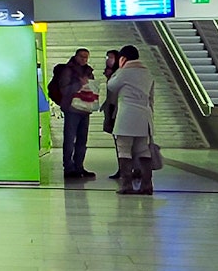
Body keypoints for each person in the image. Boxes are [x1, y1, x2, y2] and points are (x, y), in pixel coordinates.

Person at [106, 44, 155, 195]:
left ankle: (126, 185)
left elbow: (111, 86)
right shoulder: (148, 73)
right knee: (143, 150)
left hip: (127, 116)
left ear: (123, 59)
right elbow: (151, 97)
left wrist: (119, 70)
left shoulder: (124, 73)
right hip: (144, 116)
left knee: (124, 149)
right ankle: (147, 185)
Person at [60, 48, 96, 178]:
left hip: (84, 108)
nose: (84, 59)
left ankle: (79, 166)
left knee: (82, 139)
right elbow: (64, 89)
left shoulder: (88, 71)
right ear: (76, 56)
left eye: (86, 57)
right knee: (70, 139)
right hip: (72, 109)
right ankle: (69, 167)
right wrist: (78, 85)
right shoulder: (67, 70)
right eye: (82, 57)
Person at [102, 49, 121, 179]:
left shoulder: (119, 74)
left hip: (118, 109)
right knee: (118, 142)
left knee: (122, 143)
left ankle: (128, 169)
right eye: (107, 57)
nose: (108, 60)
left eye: (111, 58)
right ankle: (123, 168)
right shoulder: (112, 75)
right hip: (111, 108)